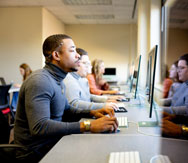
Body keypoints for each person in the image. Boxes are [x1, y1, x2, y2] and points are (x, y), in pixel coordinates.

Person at [14, 34, 118, 162]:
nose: (78, 55)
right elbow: (40, 127)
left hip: (52, 143)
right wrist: (88, 125)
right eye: (72, 50)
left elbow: (67, 109)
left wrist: (92, 112)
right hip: (35, 153)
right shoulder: (40, 81)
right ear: (56, 55)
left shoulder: (58, 80)